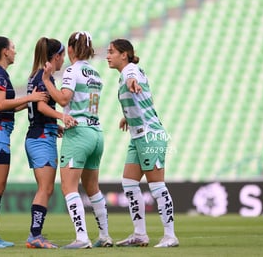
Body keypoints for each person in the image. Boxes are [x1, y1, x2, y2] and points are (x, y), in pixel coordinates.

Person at [0, 36, 48, 248]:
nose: (15, 51)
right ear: (5, 52)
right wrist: (30, 99)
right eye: (13, 48)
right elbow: (1, 103)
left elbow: (8, 106)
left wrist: (28, 102)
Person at [42, 31, 113, 249]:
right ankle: (105, 235)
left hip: (79, 132)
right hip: (96, 132)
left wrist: (46, 80)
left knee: (68, 187)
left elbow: (64, 98)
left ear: (70, 49)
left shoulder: (72, 71)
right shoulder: (95, 72)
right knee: (93, 188)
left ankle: (82, 237)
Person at [106, 38, 179, 248]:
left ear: (124, 54)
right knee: (129, 183)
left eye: (111, 52)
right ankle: (140, 234)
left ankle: (170, 235)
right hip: (138, 135)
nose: (107, 56)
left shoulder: (131, 70)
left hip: (150, 135)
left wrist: (131, 82)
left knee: (157, 187)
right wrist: (127, 116)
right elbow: (144, 98)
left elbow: (132, 79)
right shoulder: (126, 74)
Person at [25, 37, 76, 248]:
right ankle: (34, 235)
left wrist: (55, 127)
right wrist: (61, 116)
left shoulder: (34, 76)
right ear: (55, 56)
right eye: (62, 55)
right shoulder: (43, 78)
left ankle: (36, 235)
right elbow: (41, 107)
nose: (63, 60)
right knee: (45, 189)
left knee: (45, 189)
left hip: (40, 135)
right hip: (40, 138)